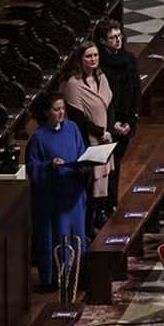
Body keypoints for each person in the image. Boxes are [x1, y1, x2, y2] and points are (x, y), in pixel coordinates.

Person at [25, 94, 87, 292]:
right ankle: (56, 278)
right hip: (55, 196)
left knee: (77, 234)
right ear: (46, 112)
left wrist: (85, 165)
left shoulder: (72, 128)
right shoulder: (39, 137)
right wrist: (49, 165)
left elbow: (82, 153)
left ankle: (78, 275)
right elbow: (33, 167)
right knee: (58, 236)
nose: (61, 113)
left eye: (62, 108)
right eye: (56, 109)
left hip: (74, 191)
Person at [60, 41, 114, 230]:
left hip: (106, 138)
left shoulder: (102, 77)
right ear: (80, 59)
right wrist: (100, 132)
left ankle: (101, 213)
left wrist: (111, 129)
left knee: (106, 179)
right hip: (89, 140)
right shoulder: (73, 85)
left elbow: (108, 104)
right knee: (91, 183)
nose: (93, 59)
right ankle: (88, 225)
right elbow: (78, 119)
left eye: (95, 55)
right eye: (88, 56)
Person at [95, 19, 140, 209]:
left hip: (126, 119)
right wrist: (113, 123)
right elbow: (101, 99)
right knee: (106, 166)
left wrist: (131, 120)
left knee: (118, 162)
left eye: (119, 36)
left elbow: (136, 90)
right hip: (108, 122)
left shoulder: (129, 60)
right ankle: (104, 205)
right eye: (112, 37)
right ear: (103, 41)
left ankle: (113, 203)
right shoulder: (100, 65)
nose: (117, 40)